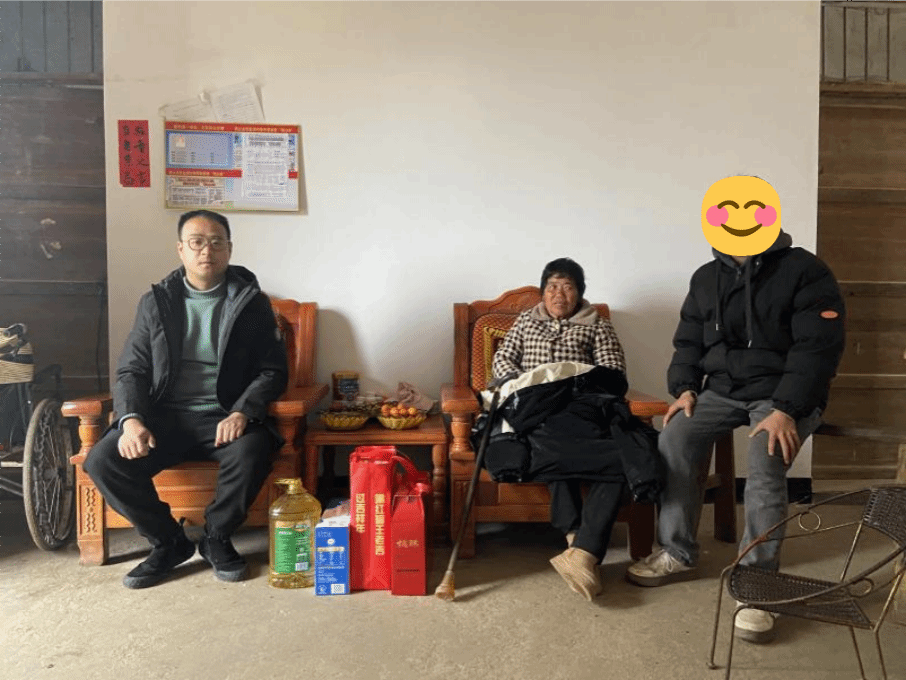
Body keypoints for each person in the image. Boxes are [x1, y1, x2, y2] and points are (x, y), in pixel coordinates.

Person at [626, 229, 845, 643]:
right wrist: (685, 388)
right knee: (675, 437)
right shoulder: (706, 277)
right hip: (724, 389)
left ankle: (758, 580)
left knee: (766, 454)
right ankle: (677, 551)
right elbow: (688, 342)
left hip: (785, 394)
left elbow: (817, 348)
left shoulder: (806, 270)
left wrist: (787, 409)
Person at [84, 209, 288, 589]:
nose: (206, 251)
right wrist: (131, 420)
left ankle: (216, 538)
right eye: (197, 242)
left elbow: (273, 370)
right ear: (181, 249)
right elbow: (132, 369)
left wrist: (243, 411)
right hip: (166, 417)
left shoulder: (251, 303)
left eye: (216, 242)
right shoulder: (156, 302)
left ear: (229, 249)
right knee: (103, 460)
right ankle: (168, 542)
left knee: (253, 449)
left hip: (225, 415)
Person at [490, 257, 632, 601]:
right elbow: (503, 359)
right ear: (543, 292)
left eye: (567, 286)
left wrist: (574, 383)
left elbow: (613, 370)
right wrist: (521, 384)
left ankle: (580, 550)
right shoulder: (526, 321)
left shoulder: (596, 324)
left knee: (623, 456)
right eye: (552, 286)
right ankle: (580, 543)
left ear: (579, 293)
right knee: (553, 442)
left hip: (581, 407)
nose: (559, 293)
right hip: (535, 406)